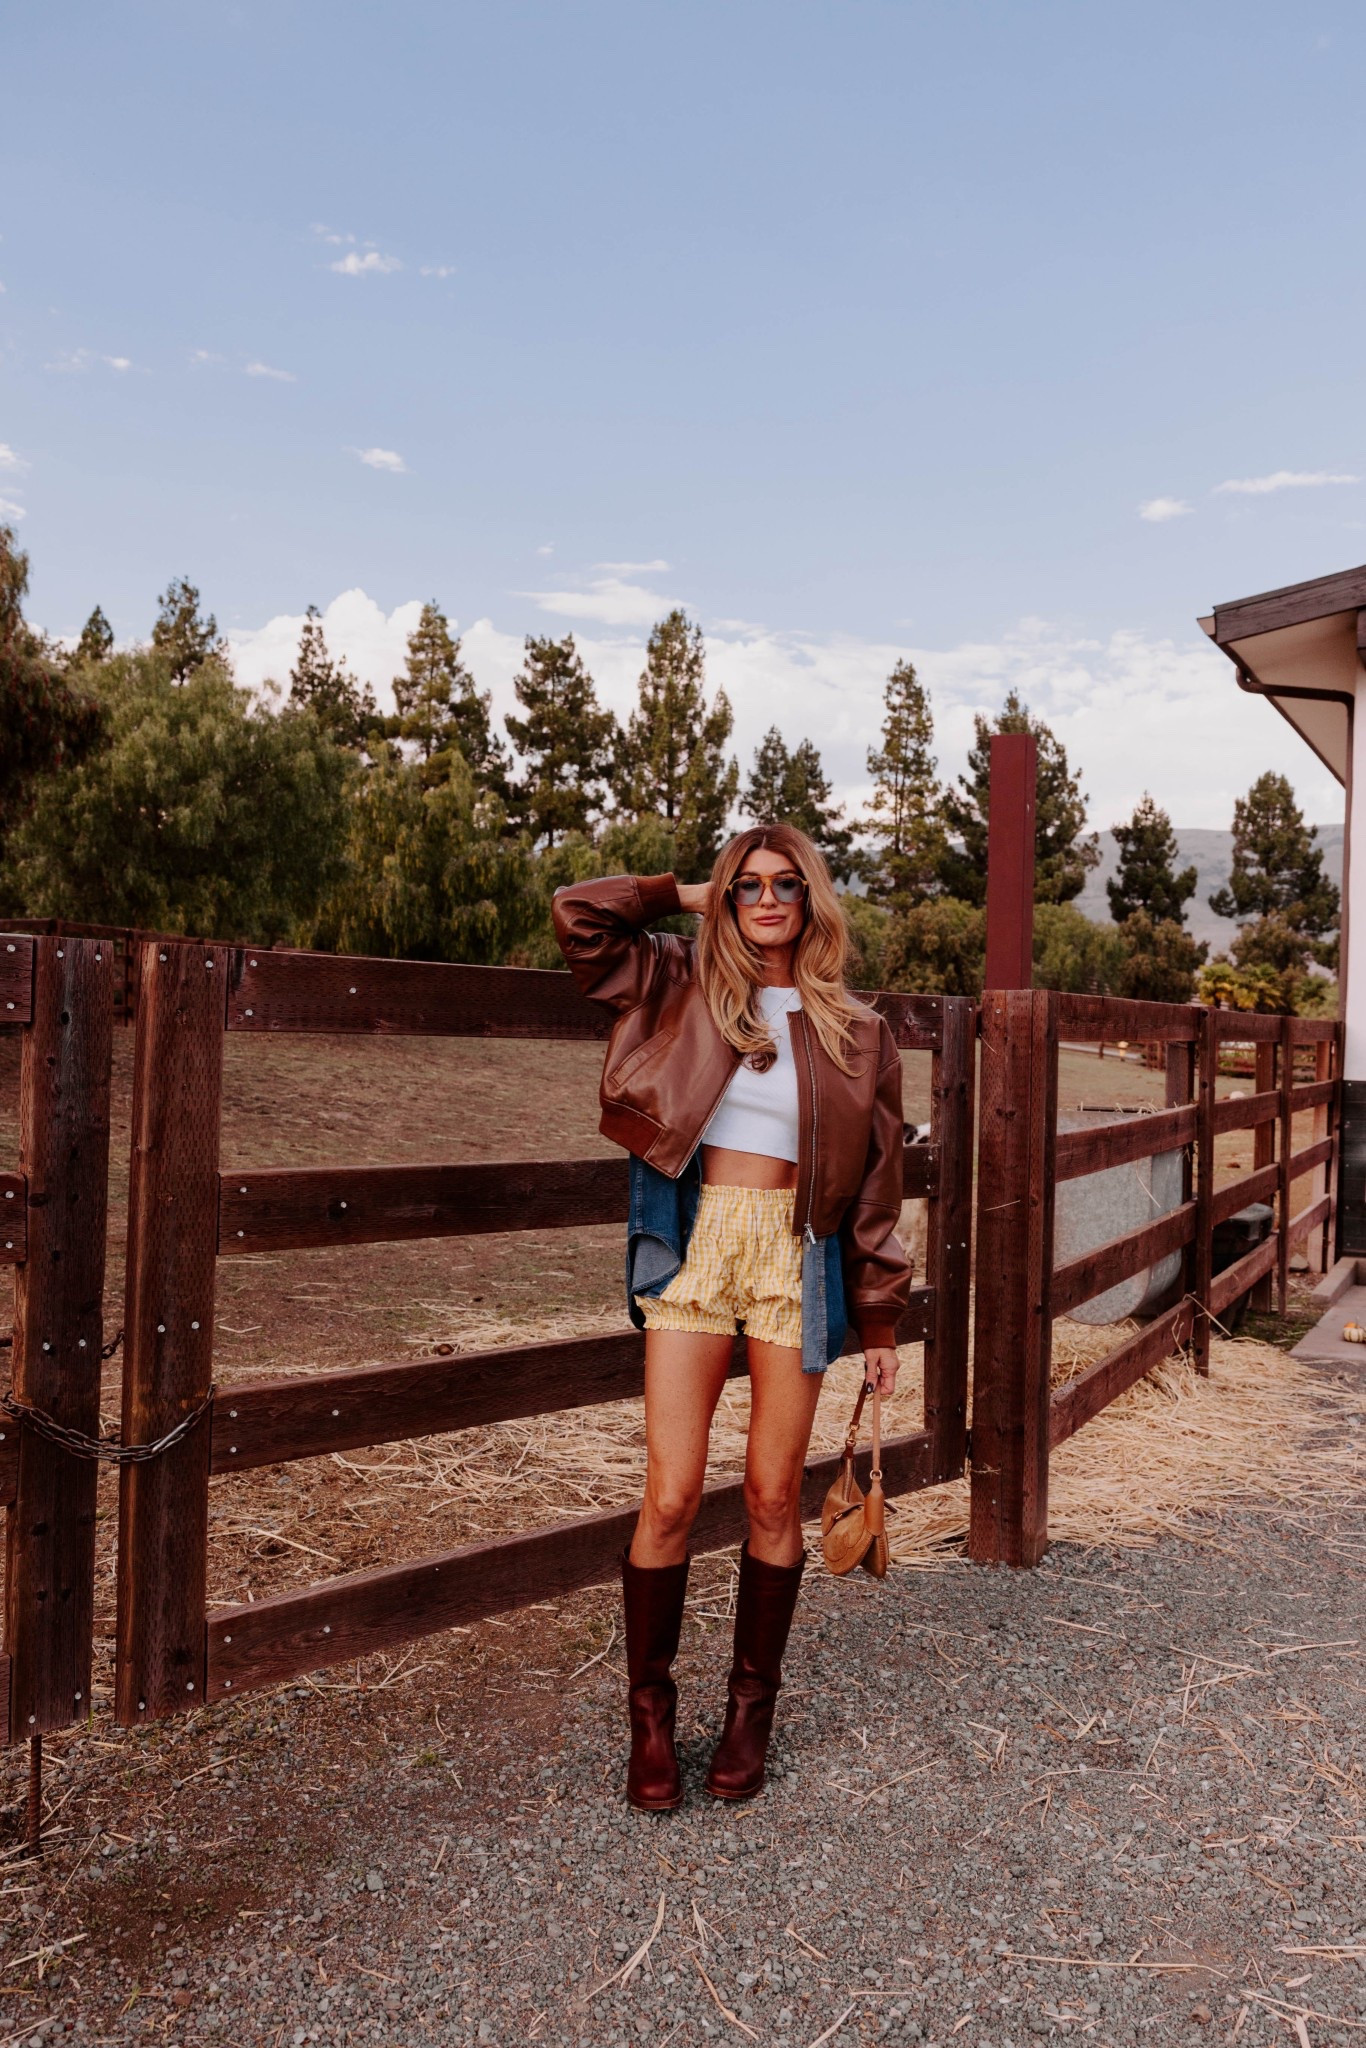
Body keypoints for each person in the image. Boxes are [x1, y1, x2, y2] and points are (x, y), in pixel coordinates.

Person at [553, 824, 910, 1809]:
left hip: (797, 1257)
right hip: (698, 1241)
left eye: (782, 883)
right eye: (745, 885)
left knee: (767, 1493)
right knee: (668, 1493)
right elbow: (579, 914)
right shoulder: (674, 981)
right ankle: (651, 1717)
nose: (763, 899)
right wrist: (683, 889)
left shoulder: (859, 1031)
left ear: (810, 899)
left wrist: (879, 1320)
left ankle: (751, 1710)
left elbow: (878, 1188)